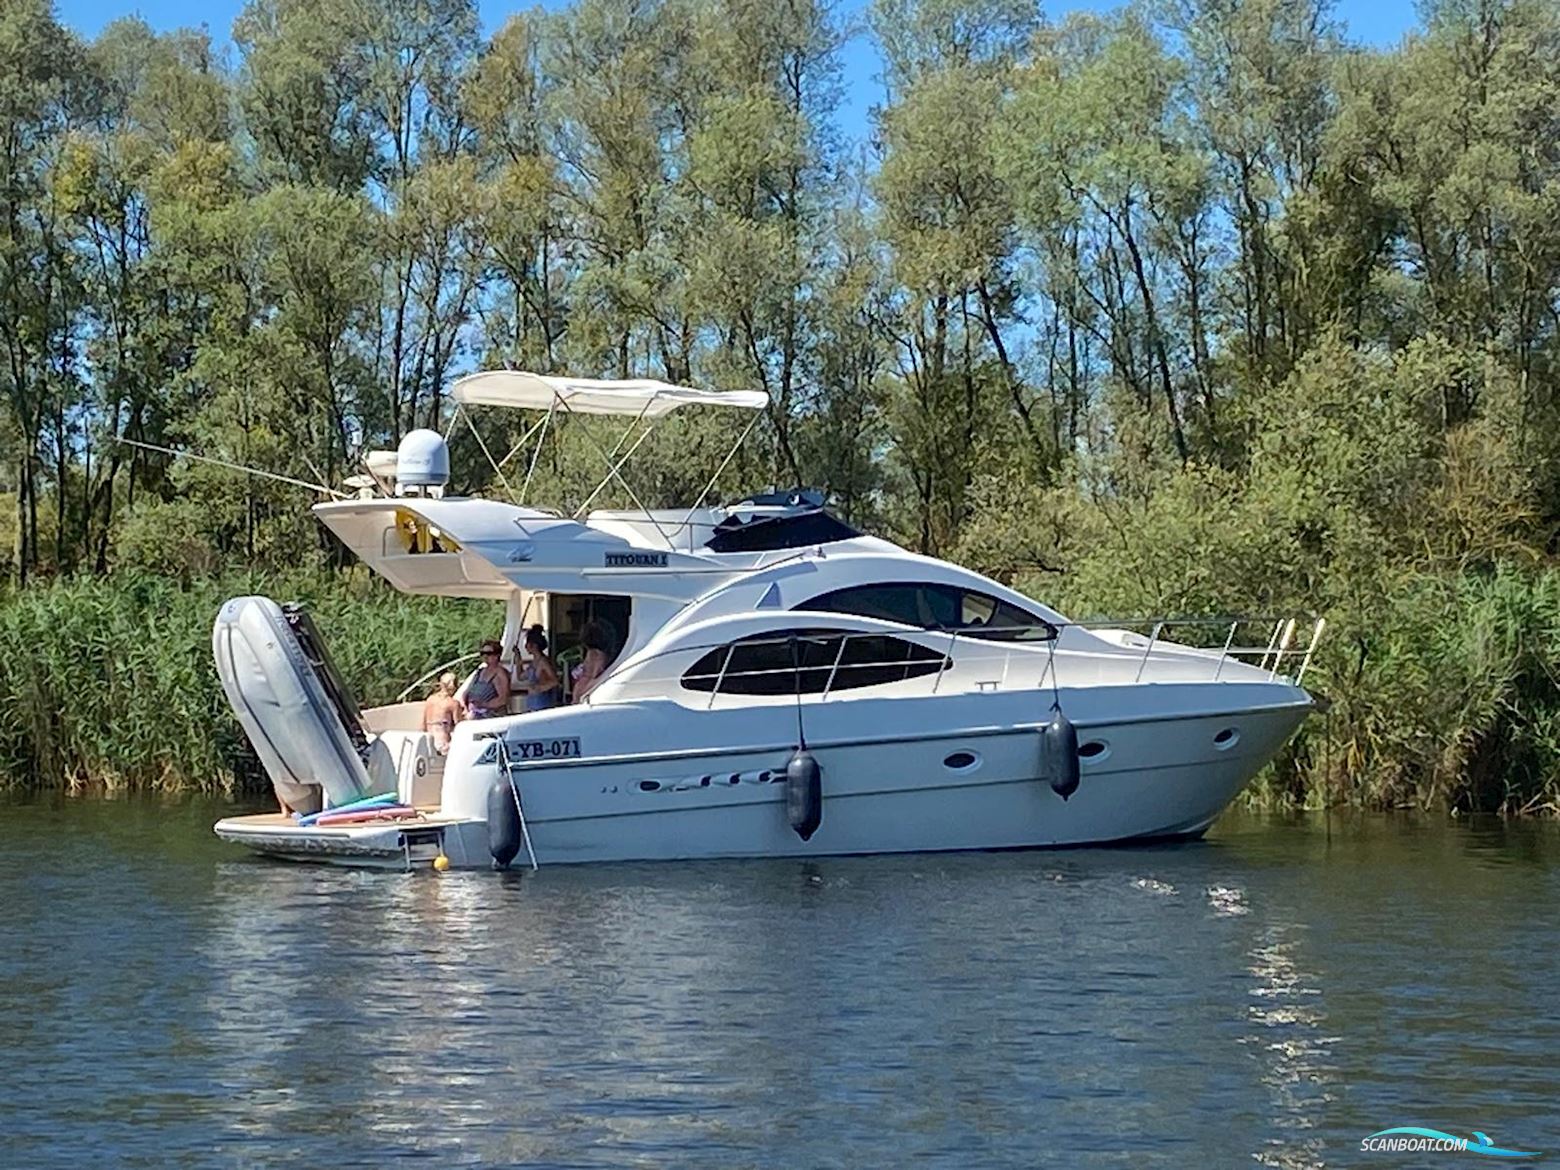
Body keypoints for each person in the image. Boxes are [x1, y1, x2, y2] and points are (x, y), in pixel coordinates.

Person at [513, 624, 561, 712]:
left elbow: (555, 681)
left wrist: (539, 688)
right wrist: (518, 659)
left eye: (527, 643)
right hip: (533, 704)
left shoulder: (543, 662)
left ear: (533, 645)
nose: (525, 646)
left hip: (542, 704)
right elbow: (520, 677)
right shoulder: (533, 663)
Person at [466, 639, 513, 718]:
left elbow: (503, 699)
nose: (485, 656)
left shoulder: (500, 673)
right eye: (483, 653)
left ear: (497, 655)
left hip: (492, 716)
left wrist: (483, 705)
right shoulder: (480, 671)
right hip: (475, 714)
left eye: (489, 653)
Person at [571, 619, 615, 703]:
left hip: (585, 687)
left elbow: (595, 675)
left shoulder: (594, 654)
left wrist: (583, 692)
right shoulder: (597, 653)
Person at [421, 672, 465, 754]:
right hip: (443, 742)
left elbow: (423, 724)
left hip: (428, 739)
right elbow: (460, 727)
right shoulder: (453, 703)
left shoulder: (430, 700)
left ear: (441, 684)